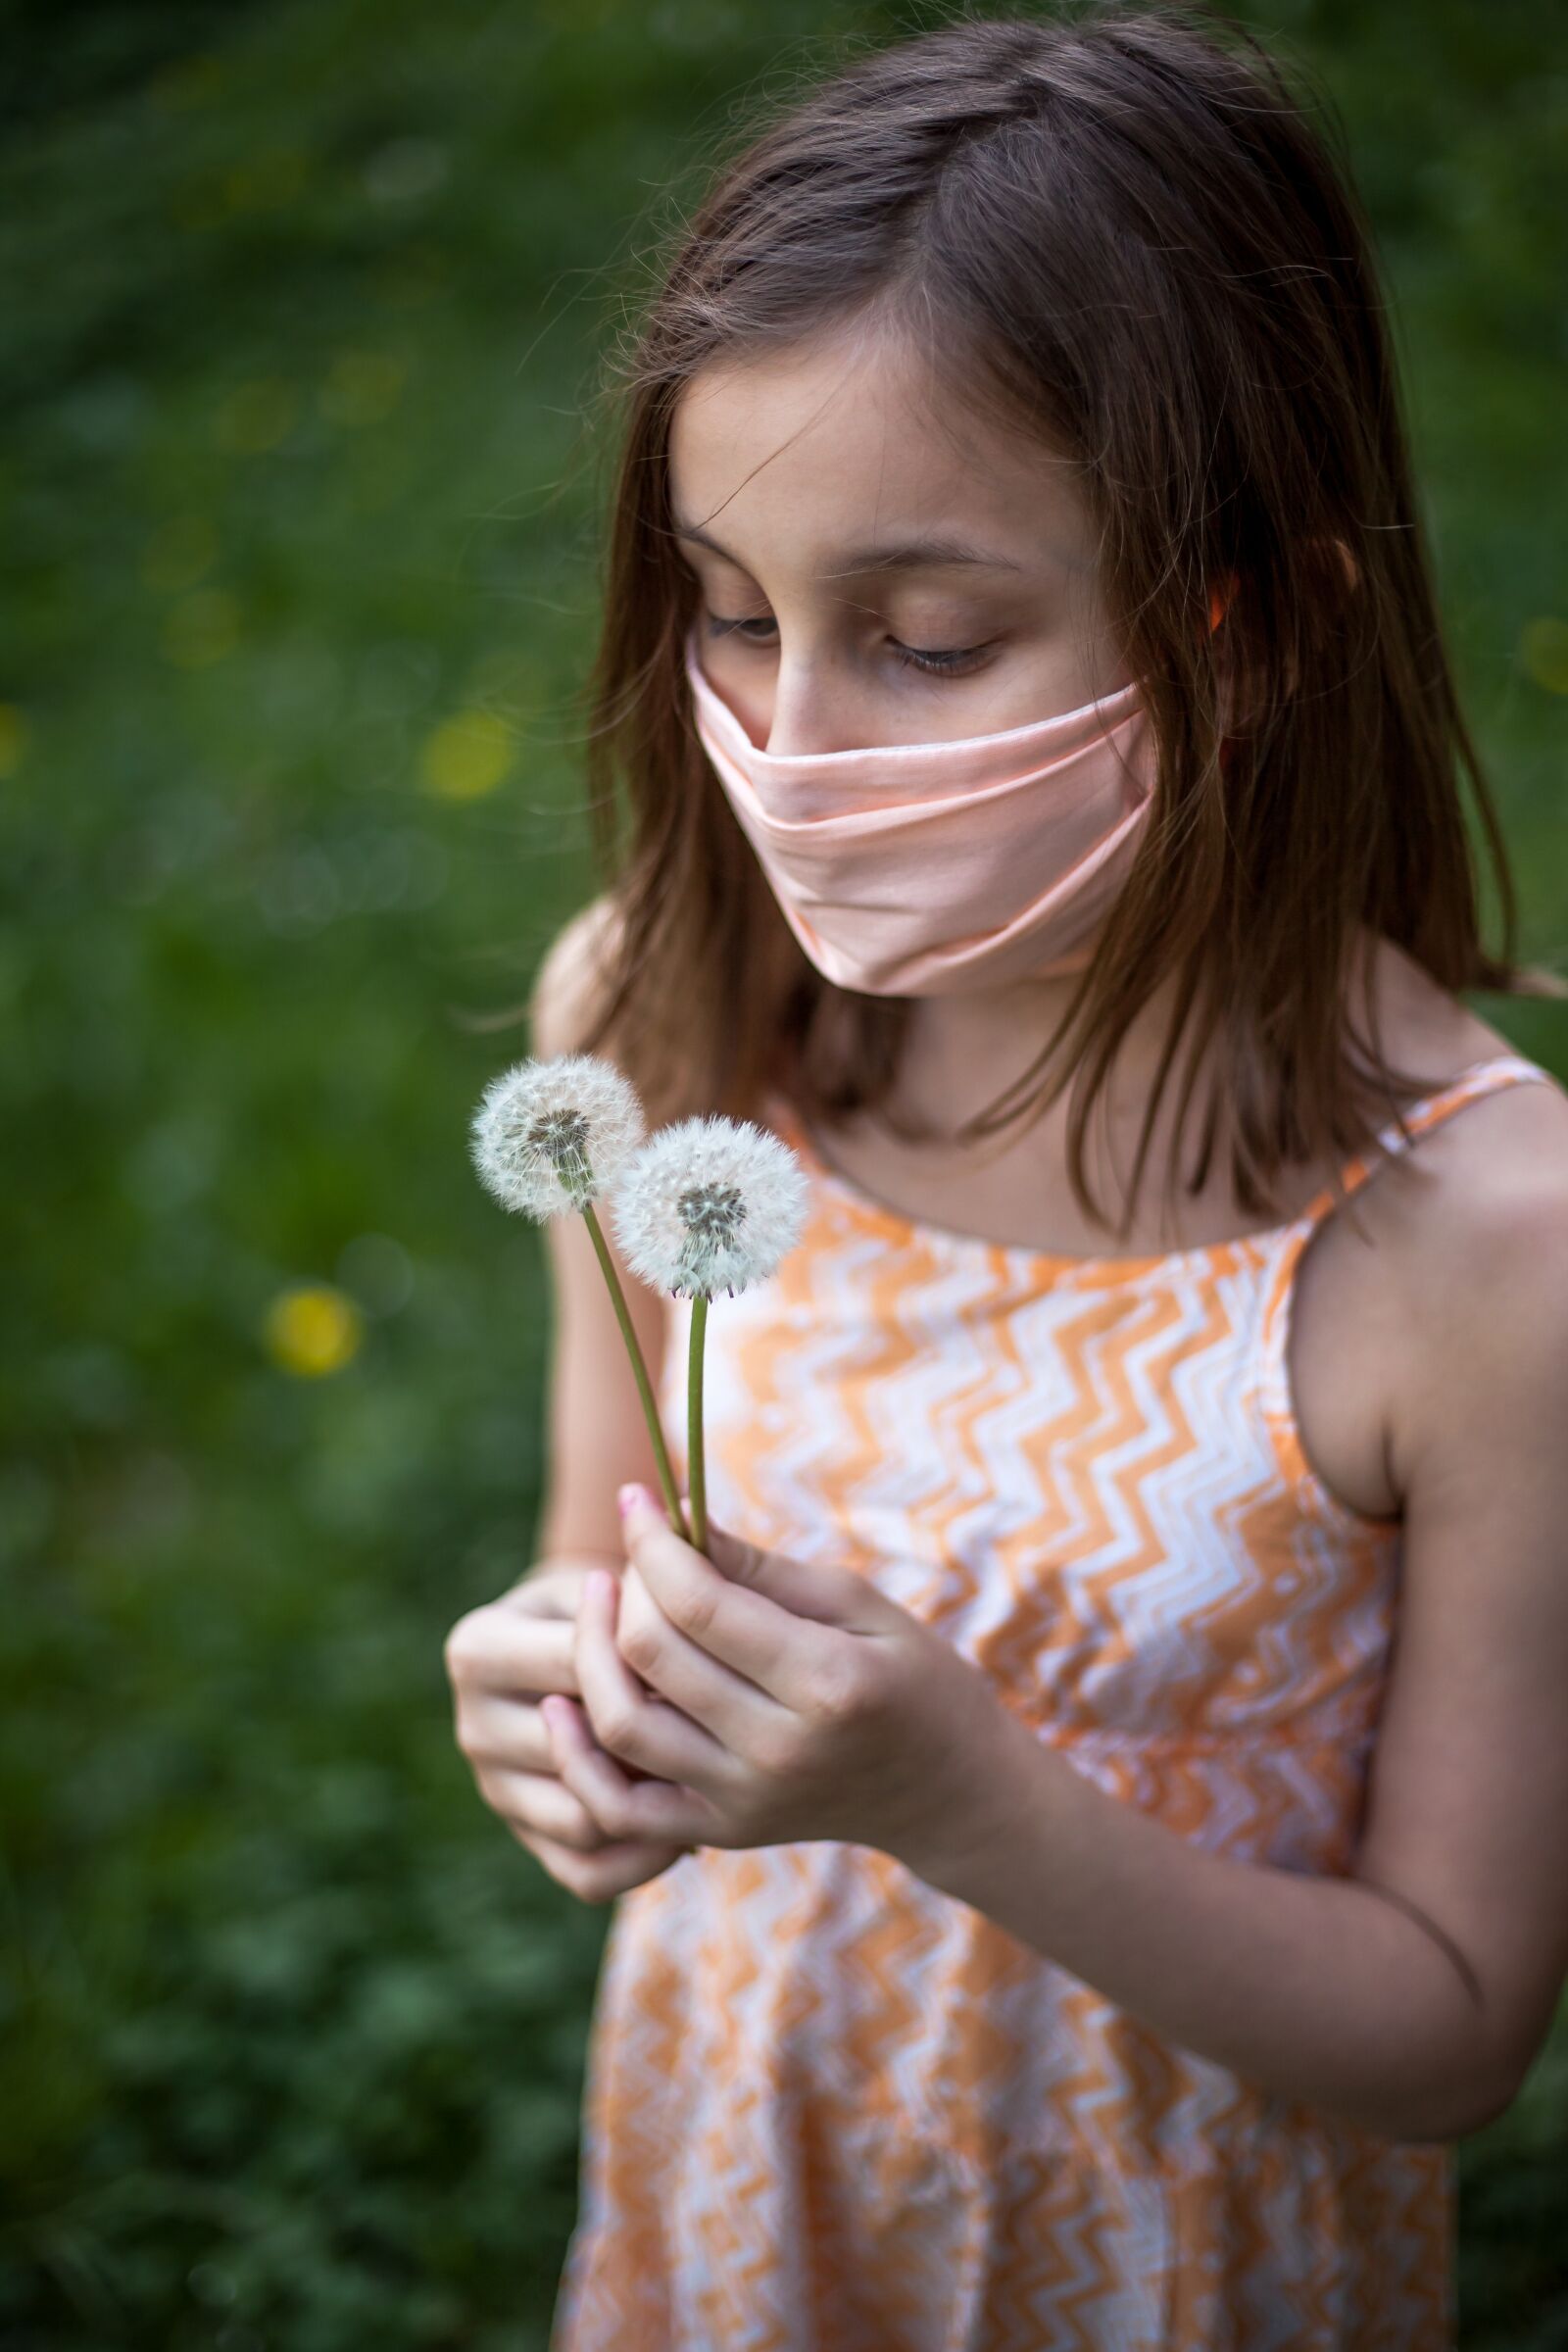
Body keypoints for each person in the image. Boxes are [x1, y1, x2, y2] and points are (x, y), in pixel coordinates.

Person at [443, 9, 1568, 2344]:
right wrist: (576, 1722)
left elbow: (1450, 2022)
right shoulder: (654, 1041)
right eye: (730, 615)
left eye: (926, 638)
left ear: (1248, 629)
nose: (786, 741)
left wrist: (965, 1802)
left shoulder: (1485, 1251)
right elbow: (595, 1561)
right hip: (751, 2192)